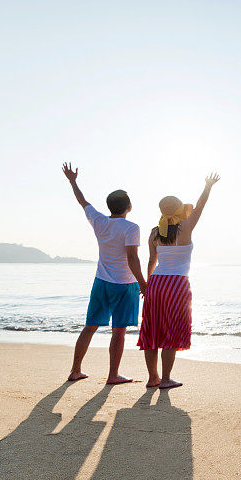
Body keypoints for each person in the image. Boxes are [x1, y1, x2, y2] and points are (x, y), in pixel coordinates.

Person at [62, 162, 146, 384]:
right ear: (129, 207)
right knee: (118, 331)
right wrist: (143, 284)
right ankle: (113, 375)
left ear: (110, 207)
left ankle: (75, 370)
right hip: (124, 285)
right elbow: (132, 259)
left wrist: (73, 181)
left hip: (101, 282)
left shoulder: (99, 221)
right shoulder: (131, 228)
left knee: (90, 326)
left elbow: (82, 201)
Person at [138, 173, 220, 388]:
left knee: (152, 330)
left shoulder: (155, 233)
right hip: (176, 284)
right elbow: (200, 206)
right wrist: (208, 186)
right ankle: (165, 379)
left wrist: (146, 285)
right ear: (179, 210)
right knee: (171, 331)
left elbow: (151, 261)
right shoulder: (185, 229)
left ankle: (152, 378)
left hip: (155, 283)